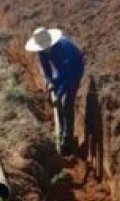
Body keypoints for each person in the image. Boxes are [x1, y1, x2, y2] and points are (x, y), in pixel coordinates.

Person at [25, 26, 85, 154]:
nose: (44, 49)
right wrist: (50, 82)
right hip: (62, 70)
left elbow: (67, 74)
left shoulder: (62, 48)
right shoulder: (41, 50)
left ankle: (67, 138)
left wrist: (58, 93)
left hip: (74, 67)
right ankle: (62, 132)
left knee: (66, 103)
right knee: (58, 102)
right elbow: (46, 69)